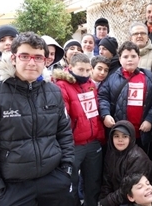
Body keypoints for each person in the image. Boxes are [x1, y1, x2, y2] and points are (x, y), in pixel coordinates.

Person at [0, 32, 75, 206]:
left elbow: (64, 133)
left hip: (54, 182)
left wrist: (66, 170)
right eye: (25, 56)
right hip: (13, 189)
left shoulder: (53, 92)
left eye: (38, 57)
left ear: (45, 61)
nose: (32, 62)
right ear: (13, 58)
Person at [98, 41, 152, 167]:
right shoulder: (111, 78)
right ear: (120, 59)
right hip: (120, 133)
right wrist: (105, 114)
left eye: (133, 56)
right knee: (120, 166)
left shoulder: (149, 77)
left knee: (144, 165)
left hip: (142, 133)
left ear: (139, 58)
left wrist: (149, 119)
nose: (130, 60)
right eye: (126, 57)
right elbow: (102, 97)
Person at [53, 53, 105, 206]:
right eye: (80, 70)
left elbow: (95, 113)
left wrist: (100, 136)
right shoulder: (62, 86)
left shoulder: (91, 85)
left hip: (93, 141)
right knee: (71, 182)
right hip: (74, 144)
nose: (84, 73)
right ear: (71, 68)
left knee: (93, 181)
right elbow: (63, 118)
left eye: (88, 70)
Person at [99, 120, 152, 206]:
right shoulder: (111, 153)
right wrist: (103, 198)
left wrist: (107, 202)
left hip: (144, 198)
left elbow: (128, 188)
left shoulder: (137, 157)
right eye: (116, 136)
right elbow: (106, 179)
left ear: (131, 138)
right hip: (124, 195)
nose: (120, 140)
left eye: (125, 136)